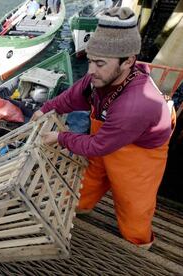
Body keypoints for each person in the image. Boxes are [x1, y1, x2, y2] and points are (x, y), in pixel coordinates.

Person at [31, 7, 175, 248]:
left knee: (134, 203)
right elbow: (71, 98)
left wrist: (60, 136)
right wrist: (45, 109)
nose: (90, 71)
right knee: (91, 177)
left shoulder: (135, 104)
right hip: (108, 137)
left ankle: (138, 243)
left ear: (128, 61)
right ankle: (82, 206)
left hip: (139, 154)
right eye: (89, 61)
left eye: (99, 63)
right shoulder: (99, 78)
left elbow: (97, 145)